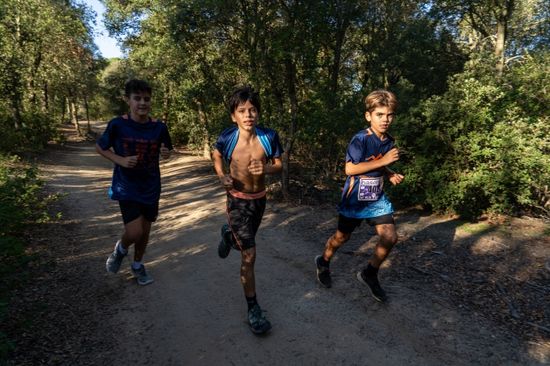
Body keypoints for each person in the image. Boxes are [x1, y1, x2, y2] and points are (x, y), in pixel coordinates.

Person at [314, 89, 404, 303]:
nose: (385, 120)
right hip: (354, 200)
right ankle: (324, 261)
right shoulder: (360, 139)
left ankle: (369, 273)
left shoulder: (389, 141)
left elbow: (376, 166)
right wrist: (385, 163)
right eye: (380, 115)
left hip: (376, 198)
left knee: (391, 237)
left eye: (389, 115)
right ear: (368, 116)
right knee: (341, 238)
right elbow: (350, 170)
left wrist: (389, 174)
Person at [212, 86, 283, 334]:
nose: (248, 114)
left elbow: (279, 165)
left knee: (243, 243)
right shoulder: (228, 137)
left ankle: (227, 235)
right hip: (237, 201)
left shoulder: (269, 136)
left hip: (259, 201)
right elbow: (217, 154)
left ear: (258, 113)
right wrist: (222, 176)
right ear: (234, 116)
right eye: (242, 110)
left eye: (252, 110)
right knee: (249, 254)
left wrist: (266, 169)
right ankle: (253, 308)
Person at [96, 79, 173, 286]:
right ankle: (120, 250)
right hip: (126, 185)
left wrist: (166, 153)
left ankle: (138, 265)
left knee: (145, 232)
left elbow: (166, 151)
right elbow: (101, 147)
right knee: (134, 232)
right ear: (127, 100)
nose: (142, 103)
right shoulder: (117, 124)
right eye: (137, 98)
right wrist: (120, 160)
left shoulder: (159, 127)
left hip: (150, 186)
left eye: (146, 99)